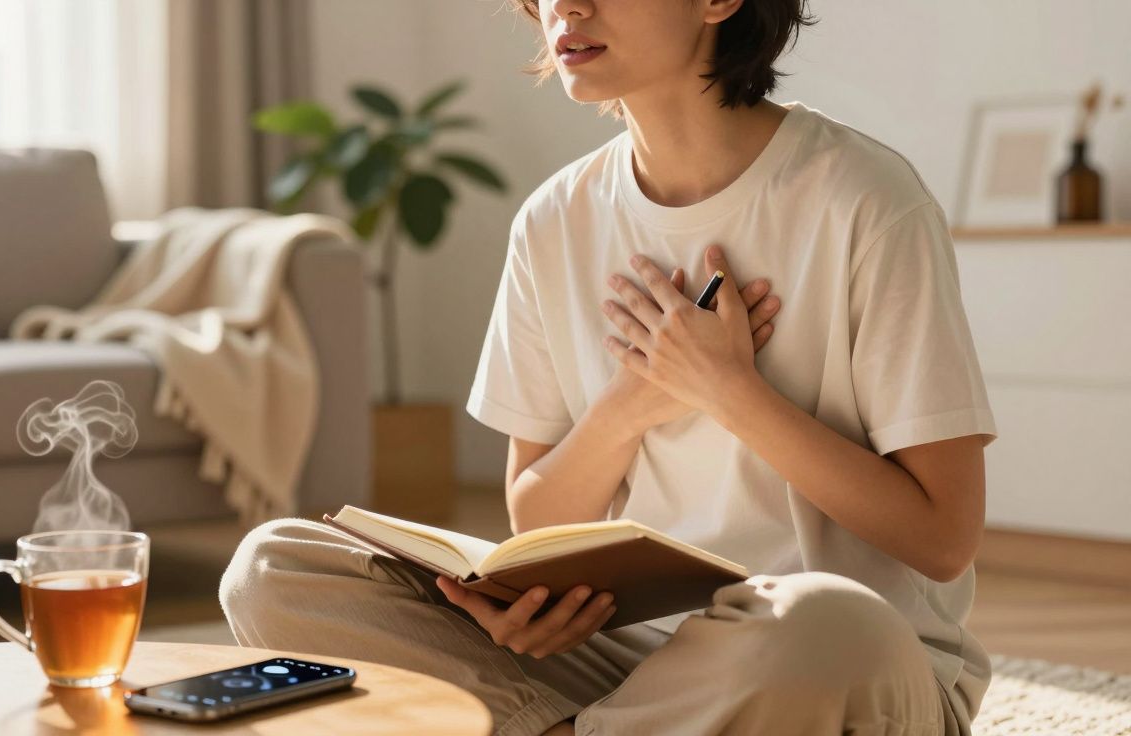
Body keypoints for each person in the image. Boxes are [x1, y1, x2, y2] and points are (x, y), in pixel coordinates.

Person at [220, 1, 997, 734]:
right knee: (274, 567)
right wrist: (631, 405)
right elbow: (537, 519)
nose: (568, 6)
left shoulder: (865, 200)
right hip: (628, 659)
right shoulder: (554, 219)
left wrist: (728, 391)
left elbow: (940, 537)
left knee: (821, 616)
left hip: (842, 664)